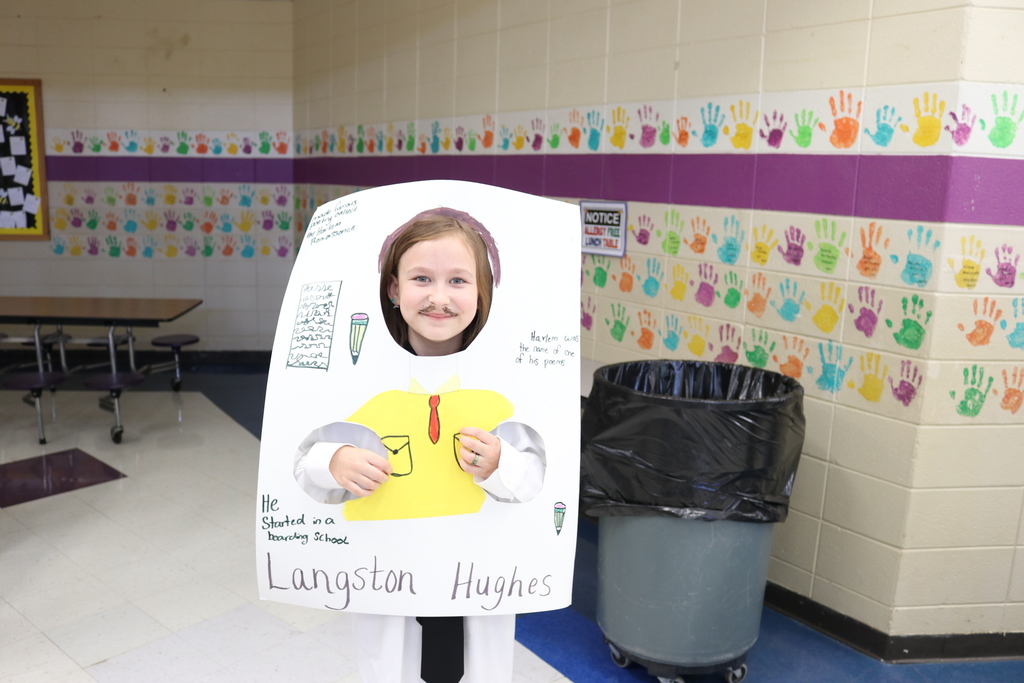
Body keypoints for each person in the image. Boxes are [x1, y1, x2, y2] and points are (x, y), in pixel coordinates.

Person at [293, 207, 546, 683]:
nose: (438, 297)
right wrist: (335, 460)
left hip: (478, 578)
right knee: (395, 670)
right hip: (388, 575)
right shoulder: (359, 385)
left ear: (482, 291)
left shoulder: (503, 390)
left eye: (457, 281)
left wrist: (500, 463)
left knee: (477, 670)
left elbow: (538, 475)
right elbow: (302, 458)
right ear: (393, 288)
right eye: (421, 278)